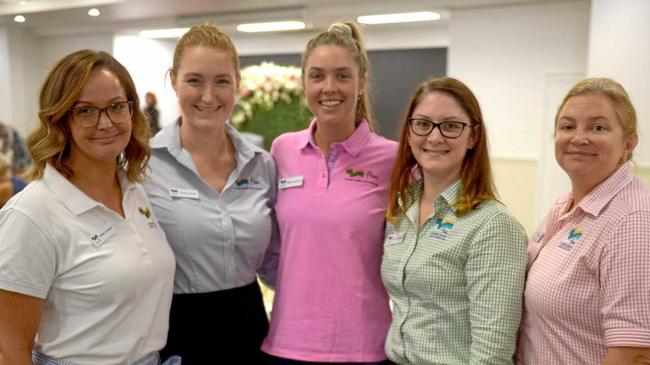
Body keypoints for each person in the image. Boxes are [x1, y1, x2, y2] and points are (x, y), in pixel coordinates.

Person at [0, 50, 177, 365]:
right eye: (85, 111)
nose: (105, 122)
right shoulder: (32, 214)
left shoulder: (134, 193)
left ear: (132, 111)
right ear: (61, 119)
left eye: (116, 107)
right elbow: (10, 350)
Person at [262, 22, 397, 364]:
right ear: (304, 83)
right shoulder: (282, 150)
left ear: (362, 82)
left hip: (364, 347)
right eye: (317, 76)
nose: (329, 88)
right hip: (285, 344)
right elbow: (271, 243)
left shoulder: (393, 159)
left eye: (342, 76)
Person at [143, 24, 278, 365]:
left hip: (251, 329)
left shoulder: (262, 165)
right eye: (194, 80)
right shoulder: (140, 167)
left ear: (237, 83)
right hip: (175, 331)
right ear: (173, 80)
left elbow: (277, 262)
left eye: (221, 81)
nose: (208, 96)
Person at [381, 77, 528, 364]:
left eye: (450, 126)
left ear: (473, 137)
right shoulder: (401, 209)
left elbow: (492, 352)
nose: (434, 137)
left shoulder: (492, 225)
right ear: (409, 133)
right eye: (423, 124)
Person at [517, 78, 650, 364]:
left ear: (630, 141)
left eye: (597, 127)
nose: (578, 138)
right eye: (567, 126)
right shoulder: (564, 206)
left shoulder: (633, 221)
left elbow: (635, 352)